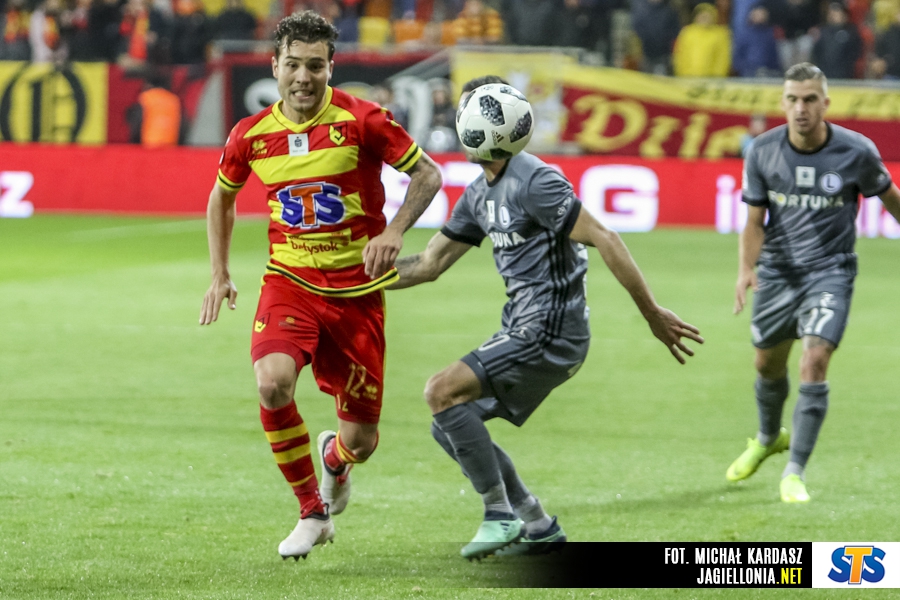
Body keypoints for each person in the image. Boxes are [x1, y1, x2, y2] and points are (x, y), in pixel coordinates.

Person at [388, 76, 704, 560]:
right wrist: (348, 281)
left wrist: (651, 313)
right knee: (449, 420)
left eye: (468, 110)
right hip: (523, 326)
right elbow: (428, 264)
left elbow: (605, 236)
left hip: (552, 327)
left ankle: (499, 515)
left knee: (440, 391)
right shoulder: (478, 193)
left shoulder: (534, 179)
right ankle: (537, 524)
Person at [199, 10, 442, 560]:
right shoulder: (250, 135)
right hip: (290, 283)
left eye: (315, 65)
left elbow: (427, 174)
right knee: (271, 384)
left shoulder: (363, 120)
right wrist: (220, 273)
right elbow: (221, 197)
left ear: (331, 67)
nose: (302, 77)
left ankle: (335, 460)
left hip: (356, 298)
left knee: (361, 441)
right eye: (293, 65)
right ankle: (313, 511)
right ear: (274, 66)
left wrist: (395, 231)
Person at [729, 62, 900, 503]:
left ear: (826, 103)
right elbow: (754, 221)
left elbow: (890, 198)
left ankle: (794, 472)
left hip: (830, 272)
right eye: (792, 99)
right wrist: (746, 269)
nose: (800, 108)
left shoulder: (856, 151)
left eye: (809, 99)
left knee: (815, 359)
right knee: (766, 365)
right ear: (782, 102)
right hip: (777, 273)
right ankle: (769, 438)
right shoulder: (762, 151)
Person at [672, 3, 732, 77]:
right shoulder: (687, 33)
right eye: (701, 15)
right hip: (687, 78)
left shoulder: (720, 35)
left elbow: (722, 59)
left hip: (711, 79)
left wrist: (717, 77)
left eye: (707, 15)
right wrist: (683, 74)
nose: (704, 18)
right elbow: (680, 55)